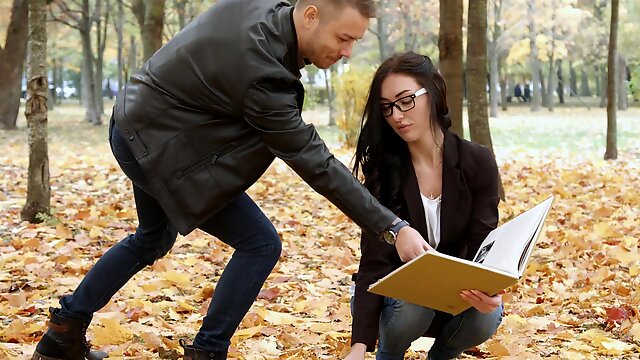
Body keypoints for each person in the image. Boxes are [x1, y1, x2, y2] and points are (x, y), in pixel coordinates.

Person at [31, 1, 432, 360]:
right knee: (260, 244)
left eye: (355, 41)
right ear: (310, 15)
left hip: (138, 120)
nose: (347, 52)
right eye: (344, 38)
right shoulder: (264, 75)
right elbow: (316, 163)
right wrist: (393, 227)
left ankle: (63, 331)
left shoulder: (266, 11)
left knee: (151, 237)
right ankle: (208, 351)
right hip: (157, 144)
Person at [345, 52, 503, 360]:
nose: (397, 116)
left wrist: (489, 287)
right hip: (395, 303)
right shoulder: (384, 170)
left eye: (406, 101)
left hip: (453, 297)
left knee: (488, 314)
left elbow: (483, 245)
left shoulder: (477, 161)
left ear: (432, 92)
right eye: (387, 107)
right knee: (412, 306)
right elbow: (374, 262)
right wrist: (359, 347)